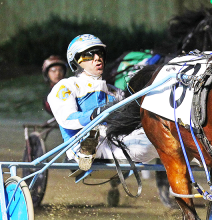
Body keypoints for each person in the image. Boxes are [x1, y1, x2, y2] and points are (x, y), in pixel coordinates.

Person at [47, 34, 159, 171]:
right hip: (79, 141)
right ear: (76, 60)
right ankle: (87, 150)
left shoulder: (113, 92)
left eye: (100, 54)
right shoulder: (66, 86)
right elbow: (67, 119)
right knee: (93, 135)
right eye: (90, 55)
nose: (97, 58)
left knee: (155, 141)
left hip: (113, 140)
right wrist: (95, 114)